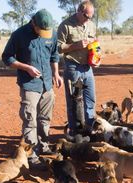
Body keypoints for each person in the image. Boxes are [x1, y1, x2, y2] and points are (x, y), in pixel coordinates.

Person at [2, 9, 63, 164]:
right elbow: (7, 57)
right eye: (41, 30)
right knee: (30, 120)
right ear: (33, 23)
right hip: (29, 85)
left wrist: (56, 73)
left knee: (45, 119)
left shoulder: (51, 33)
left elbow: (54, 55)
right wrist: (26, 67)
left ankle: (43, 145)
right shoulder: (19, 35)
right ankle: (31, 155)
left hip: (47, 83)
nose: (44, 33)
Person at [57, 1, 97, 137]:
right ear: (79, 11)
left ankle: (89, 130)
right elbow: (58, 48)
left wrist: (97, 58)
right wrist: (75, 46)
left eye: (91, 17)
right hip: (73, 66)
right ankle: (75, 132)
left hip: (88, 68)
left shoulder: (91, 25)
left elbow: (95, 45)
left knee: (90, 100)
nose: (88, 19)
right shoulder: (65, 25)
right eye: (86, 16)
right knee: (74, 101)